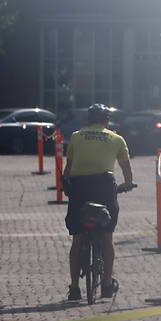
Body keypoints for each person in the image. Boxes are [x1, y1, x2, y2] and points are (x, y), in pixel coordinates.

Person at [63, 104, 134, 301]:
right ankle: (107, 284)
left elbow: (68, 168)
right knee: (107, 237)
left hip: (80, 187)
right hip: (105, 186)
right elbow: (126, 168)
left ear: (88, 120)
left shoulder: (77, 136)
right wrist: (127, 184)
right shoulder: (116, 138)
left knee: (77, 238)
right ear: (106, 121)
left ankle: (75, 287)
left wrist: (66, 185)